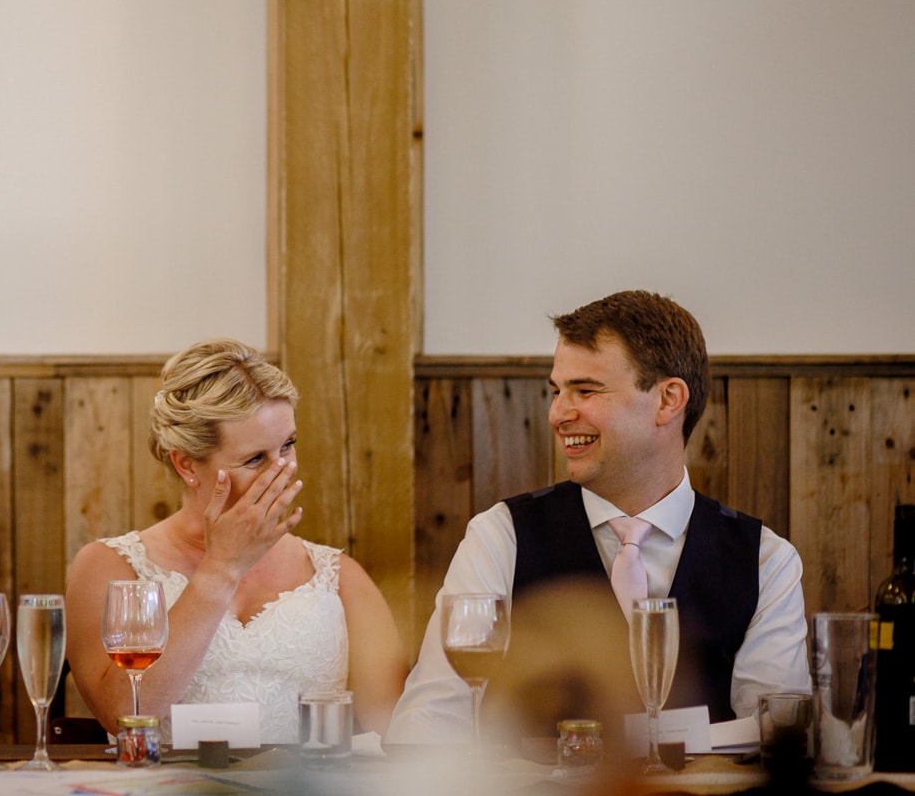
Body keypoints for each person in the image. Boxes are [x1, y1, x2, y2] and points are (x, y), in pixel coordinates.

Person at [384, 290, 811, 744]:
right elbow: (426, 723)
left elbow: (779, 735)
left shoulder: (766, 561)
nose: (557, 414)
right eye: (556, 392)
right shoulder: (499, 538)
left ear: (668, 400)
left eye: (585, 390)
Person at [64, 339, 407, 743]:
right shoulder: (108, 566)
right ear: (186, 464)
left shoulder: (338, 576)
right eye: (255, 459)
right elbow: (123, 713)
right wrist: (221, 569)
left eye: (288, 445)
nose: (283, 470)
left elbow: (396, 731)